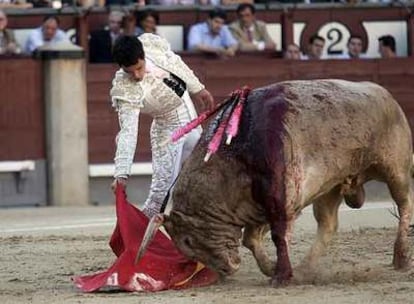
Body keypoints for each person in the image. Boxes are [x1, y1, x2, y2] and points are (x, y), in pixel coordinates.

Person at [110, 34, 214, 218]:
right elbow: (128, 132)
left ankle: (198, 233)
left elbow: (176, 63)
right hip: (166, 131)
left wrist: (197, 88)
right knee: (160, 195)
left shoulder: (151, 45)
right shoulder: (124, 88)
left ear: (143, 54)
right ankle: (142, 241)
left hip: (189, 117)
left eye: (139, 68)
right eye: (130, 72)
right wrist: (121, 174)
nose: (137, 76)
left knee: (202, 176)